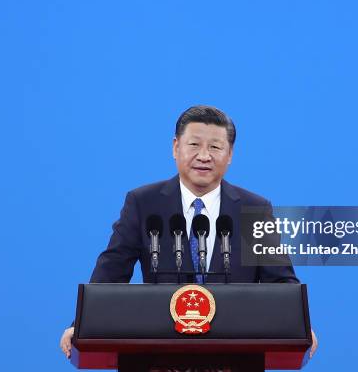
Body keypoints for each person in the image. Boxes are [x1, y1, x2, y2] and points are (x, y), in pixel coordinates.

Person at [60, 105, 318, 360]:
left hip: (235, 352)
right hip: (157, 350)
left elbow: (281, 282)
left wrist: (298, 324)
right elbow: (112, 271)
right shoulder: (143, 202)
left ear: (230, 154)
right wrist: (81, 324)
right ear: (175, 147)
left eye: (215, 147)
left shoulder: (254, 209)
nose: (204, 156)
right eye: (194, 145)